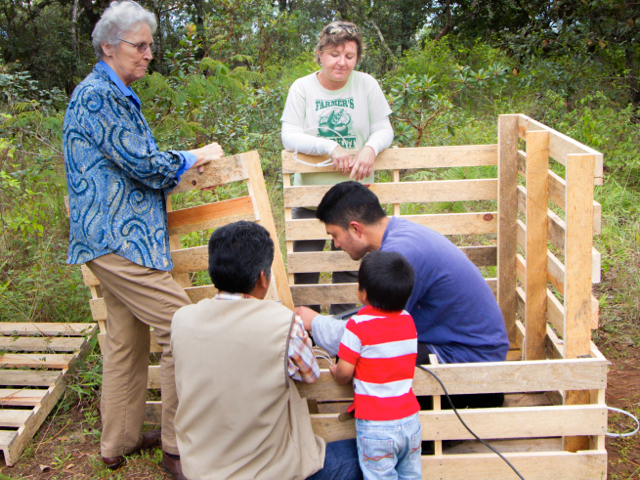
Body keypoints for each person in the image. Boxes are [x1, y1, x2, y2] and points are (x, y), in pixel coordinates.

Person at [62, 1, 224, 477]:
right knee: (182, 327)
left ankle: (119, 442)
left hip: (114, 237)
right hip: (117, 238)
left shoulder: (111, 92)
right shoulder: (98, 96)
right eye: (140, 45)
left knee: (125, 340)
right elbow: (146, 163)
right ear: (109, 48)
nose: (149, 53)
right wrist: (197, 154)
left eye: (150, 45)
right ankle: (177, 447)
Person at [171, 221, 362, 480]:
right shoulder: (283, 322)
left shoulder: (182, 319)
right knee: (364, 451)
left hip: (201, 471)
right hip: (268, 472)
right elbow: (310, 375)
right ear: (263, 277)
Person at [296, 181, 510, 410]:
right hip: (458, 346)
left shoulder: (400, 255)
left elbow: (374, 333)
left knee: (372, 359)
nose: (336, 245)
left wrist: (317, 324)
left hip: (472, 365)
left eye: (335, 235)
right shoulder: (400, 235)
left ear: (356, 228)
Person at [281, 21, 394, 315]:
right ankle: (309, 341)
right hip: (310, 198)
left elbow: (384, 128)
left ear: (357, 58)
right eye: (334, 54)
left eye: (349, 55)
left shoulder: (366, 84)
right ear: (319, 54)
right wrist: (330, 147)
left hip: (355, 199)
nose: (341, 62)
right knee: (306, 271)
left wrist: (371, 147)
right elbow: (289, 135)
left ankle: (345, 336)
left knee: (351, 269)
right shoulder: (302, 88)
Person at [330, 251, 422, 480]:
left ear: (363, 292)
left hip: (376, 426)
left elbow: (344, 373)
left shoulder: (357, 325)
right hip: (410, 422)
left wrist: (335, 371)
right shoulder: (408, 321)